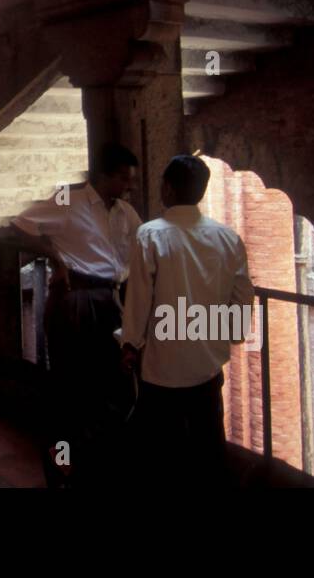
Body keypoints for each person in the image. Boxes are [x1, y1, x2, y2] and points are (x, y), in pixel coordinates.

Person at [10, 142, 142, 488]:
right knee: (71, 384)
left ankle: (87, 462)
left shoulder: (124, 212)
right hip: (75, 298)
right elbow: (22, 223)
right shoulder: (70, 199)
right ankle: (60, 461)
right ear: (103, 176)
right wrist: (55, 258)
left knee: (110, 384)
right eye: (123, 179)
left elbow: (144, 247)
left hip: (109, 299)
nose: (128, 186)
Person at [119, 155, 253, 488]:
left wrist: (130, 344)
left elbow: (138, 299)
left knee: (158, 456)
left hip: (161, 369)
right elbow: (243, 297)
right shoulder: (228, 238)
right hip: (207, 368)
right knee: (209, 450)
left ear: (166, 188)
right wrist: (230, 335)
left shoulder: (150, 236)